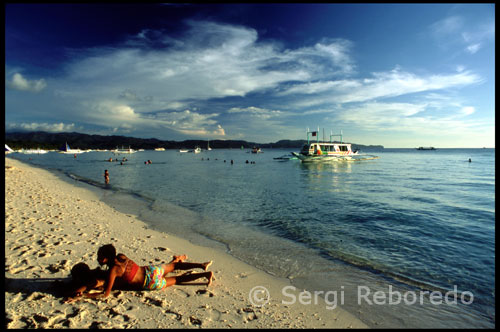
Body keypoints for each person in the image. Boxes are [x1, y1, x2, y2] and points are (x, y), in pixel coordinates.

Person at [93, 244, 214, 299]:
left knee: (177, 279)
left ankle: (205, 275)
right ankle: (201, 265)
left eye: (100, 256)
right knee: (174, 266)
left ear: (105, 259)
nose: (98, 258)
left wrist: (85, 296)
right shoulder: (121, 256)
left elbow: (105, 294)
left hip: (150, 283)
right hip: (151, 270)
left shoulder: (113, 271)